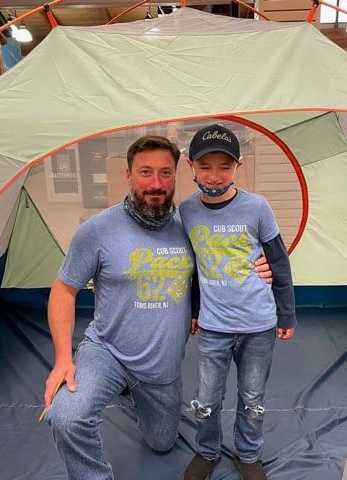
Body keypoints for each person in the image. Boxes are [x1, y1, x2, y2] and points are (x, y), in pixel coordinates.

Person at [44, 135, 272, 480]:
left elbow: (225, 259)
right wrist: (63, 358)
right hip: (107, 351)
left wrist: (261, 266)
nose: (155, 183)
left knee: (163, 442)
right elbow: (63, 289)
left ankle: (133, 394)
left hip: (161, 367)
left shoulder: (192, 226)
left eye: (165, 173)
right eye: (145, 172)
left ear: (177, 175)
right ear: (128, 175)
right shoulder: (96, 230)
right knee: (66, 417)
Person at [180, 124, 297, 480]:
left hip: (257, 325)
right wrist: (195, 310)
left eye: (224, 167)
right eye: (205, 167)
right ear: (190, 166)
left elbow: (278, 262)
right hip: (214, 326)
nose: (214, 176)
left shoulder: (257, 207)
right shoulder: (187, 211)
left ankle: (248, 453)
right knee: (206, 399)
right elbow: (194, 267)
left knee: (252, 397)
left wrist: (286, 314)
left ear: (238, 167)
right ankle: (207, 450)